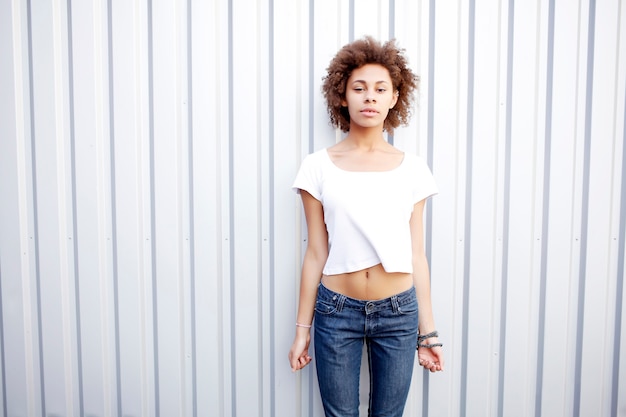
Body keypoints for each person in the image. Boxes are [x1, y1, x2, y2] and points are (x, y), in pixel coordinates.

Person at [288, 36, 444, 417]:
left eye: (380, 89)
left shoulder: (413, 168)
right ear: (342, 96)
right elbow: (315, 253)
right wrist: (301, 330)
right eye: (359, 88)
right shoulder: (317, 166)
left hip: (398, 311)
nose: (369, 97)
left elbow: (416, 256)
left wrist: (429, 333)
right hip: (336, 310)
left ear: (394, 98)